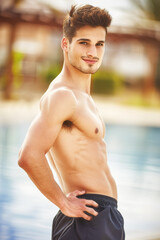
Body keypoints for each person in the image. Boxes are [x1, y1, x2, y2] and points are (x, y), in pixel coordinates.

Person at [18, 4, 125, 240]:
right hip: (89, 218)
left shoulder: (81, 96)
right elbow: (29, 155)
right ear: (66, 44)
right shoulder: (63, 96)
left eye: (99, 44)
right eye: (84, 42)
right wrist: (63, 203)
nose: (93, 52)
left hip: (100, 216)